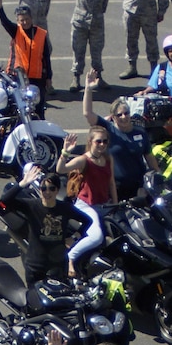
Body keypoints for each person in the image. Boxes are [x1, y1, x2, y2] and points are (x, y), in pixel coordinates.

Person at [56, 118, 116, 275]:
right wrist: (65, 151)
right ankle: (70, 257)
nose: (102, 144)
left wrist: (115, 205)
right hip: (86, 205)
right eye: (98, 141)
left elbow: (111, 183)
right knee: (96, 237)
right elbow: (61, 169)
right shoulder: (84, 160)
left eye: (105, 141)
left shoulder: (108, 159)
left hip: (104, 205)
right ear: (90, 141)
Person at [82, 70, 151, 195]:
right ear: (113, 117)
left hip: (139, 187)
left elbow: (151, 162)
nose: (124, 117)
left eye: (126, 113)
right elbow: (88, 114)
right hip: (115, 188)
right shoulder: (108, 129)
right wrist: (88, 89)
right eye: (119, 115)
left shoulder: (141, 133)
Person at [6, 166, 77, 286]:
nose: (47, 192)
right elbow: (4, 201)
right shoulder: (31, 205)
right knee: (34, 302)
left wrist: (74, 237)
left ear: (57, 190)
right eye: (43, 188)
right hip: (35, 266)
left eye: (51, 188)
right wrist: (22, 183)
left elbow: (88, 221)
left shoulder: (65, 208)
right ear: (39, 190)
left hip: (57, 267)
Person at [0, 0, 51, 98]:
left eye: (27, 19)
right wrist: (0, 8)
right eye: (22, 20)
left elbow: (46, 57)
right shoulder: (16, 31)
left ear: (31, 18)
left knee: (38, 105)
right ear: (18, 21)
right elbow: (5, 22)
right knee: (21, 105)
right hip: (19, 76)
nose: (25, 22)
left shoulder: (41, 34)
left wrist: (49, 77)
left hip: (37, 77)